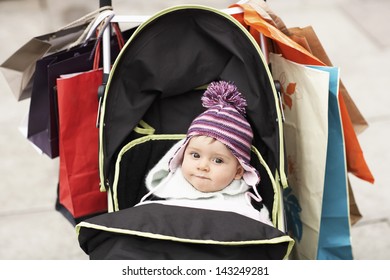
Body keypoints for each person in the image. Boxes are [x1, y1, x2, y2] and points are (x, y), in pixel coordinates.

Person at [139, 80, 273, 226]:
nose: (203, 166)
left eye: (218, 160)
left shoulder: (247, 209)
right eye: (195, 155)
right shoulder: (165, 194)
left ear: (238, 171)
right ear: (181, 155)